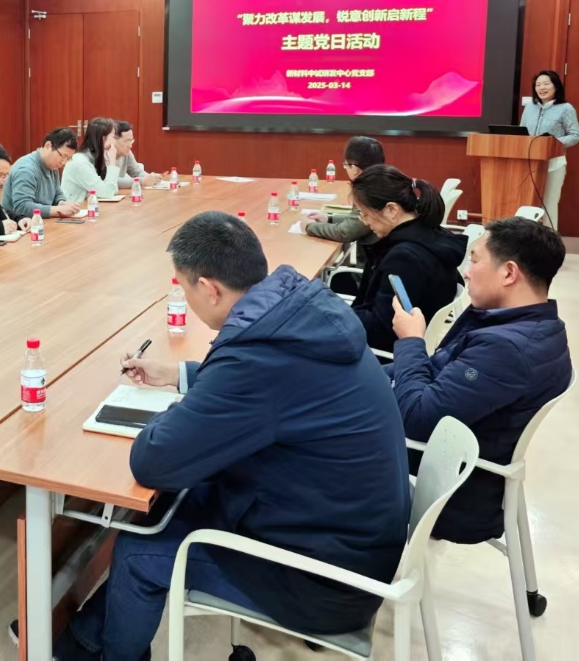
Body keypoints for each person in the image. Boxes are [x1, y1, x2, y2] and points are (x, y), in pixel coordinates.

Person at [54, 211, 409, 660]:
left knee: (138, 551)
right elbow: (271, 391)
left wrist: (183, 411)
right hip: (343, 534)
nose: (185, 298)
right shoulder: (294, 313)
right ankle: (86, 640)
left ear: (209, 289)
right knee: (181, 503)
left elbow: (153, 460)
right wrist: (180, 375)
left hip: (324, 582)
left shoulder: (258, 358)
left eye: (183, 288)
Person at [390, 217, 572, 543]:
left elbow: (415, 419)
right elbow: (439, 373)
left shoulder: (506, 349)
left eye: (474, 260)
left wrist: (411, 341)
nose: (466, 272)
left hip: (449, 491)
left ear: (509, 273)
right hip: (451, 460)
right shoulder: (533, 324)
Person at [349, 165, 465, 355]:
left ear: (391, 209)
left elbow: (381, 329)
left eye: (366, 214)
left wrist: (334, 314)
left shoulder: (404, 259)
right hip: (407, 345)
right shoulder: (431, 235)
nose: (365, 221)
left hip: (382, 355)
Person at [519, 69, 579, 232]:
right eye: (538, 85)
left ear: (556, 86)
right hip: (529, 164)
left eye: (546, 84)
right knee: (527, 205)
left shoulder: (566, 108)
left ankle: (551, 241)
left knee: (548, 205)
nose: (541, 88)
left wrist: (552, 144)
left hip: (554, 164)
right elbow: (521, 132)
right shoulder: (530, 107)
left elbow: (575, 135)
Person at [304, 135, 384, 246]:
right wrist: (328, 218)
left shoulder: (369, 191)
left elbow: (345, 232)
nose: (345, 168)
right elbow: (357, 220)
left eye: (346, 165)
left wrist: (309, 226)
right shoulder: (379, 181)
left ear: (355, 169)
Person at [1, 127, 81, 221]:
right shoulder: (26, 169)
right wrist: (57, 210)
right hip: (19, 224)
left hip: (41, 222)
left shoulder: (52, 166)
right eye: (63, 156)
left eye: (68, 159)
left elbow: (57, 193)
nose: (64, 162)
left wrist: (61, 202)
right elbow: (22, 207)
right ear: (48, 146)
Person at [60, 117, 120, 203]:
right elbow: (108, 192)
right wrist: (112, 163)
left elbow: (113, 190)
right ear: (102, 138)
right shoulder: (80, 163)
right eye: (113, 137)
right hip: (75, 209)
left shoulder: (96, 157)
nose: (114, 142)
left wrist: (108, 162)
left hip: (87, 207)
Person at [111, 121, 161, 189]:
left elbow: (137, 172)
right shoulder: (104, 155)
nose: (130, 146)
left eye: (131, 141)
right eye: (127, 141)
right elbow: (111, 181)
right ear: (113, 139)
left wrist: (151, 178)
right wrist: (141, 181)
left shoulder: (127, 152)